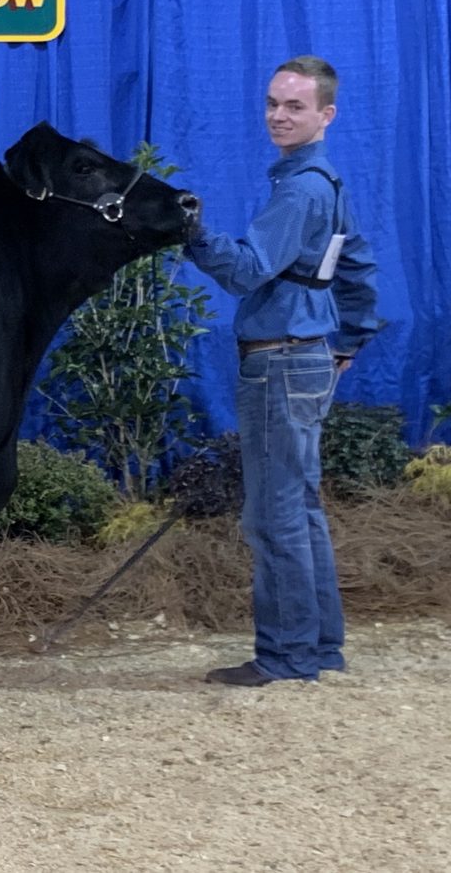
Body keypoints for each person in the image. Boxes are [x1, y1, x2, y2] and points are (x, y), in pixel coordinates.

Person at [185, 55, 381, 686]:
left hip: (278, 361)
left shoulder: (299, 189)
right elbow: (359, 269)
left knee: (274, 515)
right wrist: (346, 340)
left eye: (294, 106)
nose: (277, 115)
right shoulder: (326, 181)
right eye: (272, 102)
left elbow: (245, 270)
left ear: (327, 114)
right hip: (310, 354)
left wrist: (189, 231)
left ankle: (288, 655)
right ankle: (319, 645)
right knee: (301, 504)